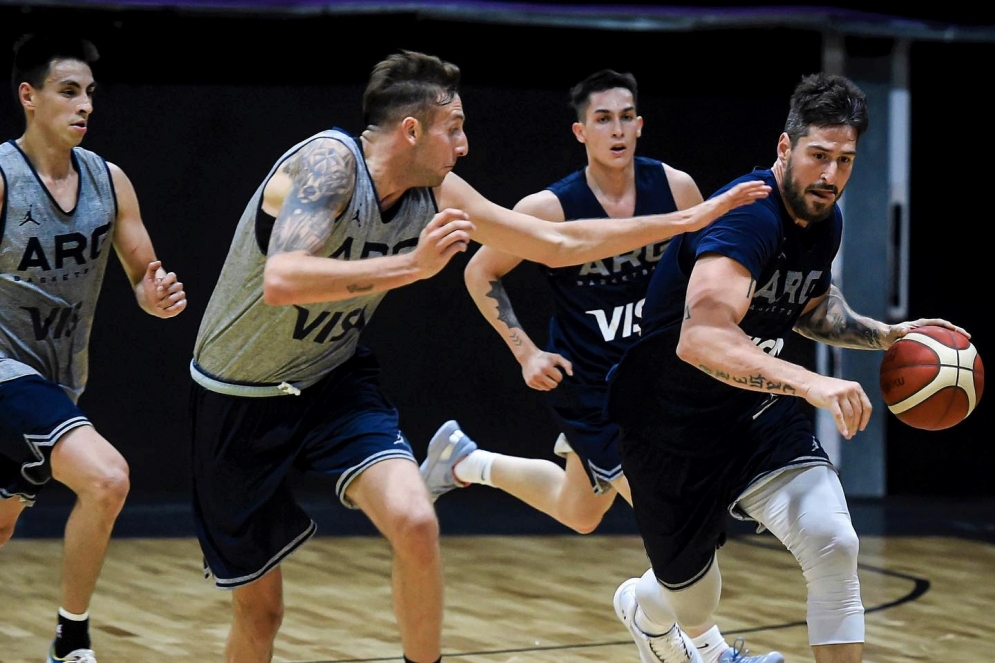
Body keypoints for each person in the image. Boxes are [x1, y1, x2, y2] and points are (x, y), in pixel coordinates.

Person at [188, 50, 769, 663]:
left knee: (417, 521)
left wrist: (689, 218)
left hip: (333, 381)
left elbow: (556, 241)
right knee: (262, 615)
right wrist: (413, 266)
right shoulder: (330, 164)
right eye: (454, 127)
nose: (464, 145)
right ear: (412, 130)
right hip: (238, 396)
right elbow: (282, 278)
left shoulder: (437, 188)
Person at [602, 72, 968, 663]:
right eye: (818, 156)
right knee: (693, 604)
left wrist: (884, 336)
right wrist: (810, 381)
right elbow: (701, 338)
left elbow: (810, 305)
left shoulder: (824, 218)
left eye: (844, 161)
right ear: (784, 147)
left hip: (755, 412)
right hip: (671, 426)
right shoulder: (748, 217)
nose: (831, 176)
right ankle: (645, 611)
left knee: (833, 542)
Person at [422, 69, 781, 663]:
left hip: (660, 381)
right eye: (602, 119)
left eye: (625, 117)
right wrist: (526, 351)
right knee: (672, 511)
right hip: (592, 388)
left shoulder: (677, 189)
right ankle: (709, 649)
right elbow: (480, 270)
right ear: (580, 131)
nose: (616, 129)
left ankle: (465, 462)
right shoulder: (550, 207)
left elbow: (711, 271)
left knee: (580, 511)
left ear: (640, 125)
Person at [0, 32, 187, 663]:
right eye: (68, 91)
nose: (84, 105)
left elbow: (143, 273)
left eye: (89, 93)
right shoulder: (3, 179)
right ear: (29, 96)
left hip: (59, 381)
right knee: (107, 478)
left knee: (2, 524)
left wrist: (155, 295)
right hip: (4, 374)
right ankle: (71, 640)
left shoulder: (109, 181)